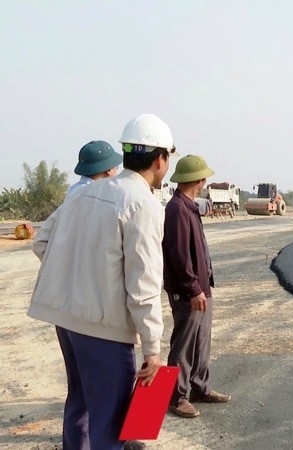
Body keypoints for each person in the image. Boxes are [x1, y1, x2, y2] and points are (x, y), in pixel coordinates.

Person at [29, 113, 175, 449]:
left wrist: (80, 274)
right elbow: (144, 285)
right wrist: (153, 349)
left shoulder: (83, 194)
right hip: (103, 330)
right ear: (160, 159)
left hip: (67, 321)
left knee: (79, 401)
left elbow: (42, 243)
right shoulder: (143, 205)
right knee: (110, 422)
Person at [163, 154, 231, 419]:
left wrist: (203, 286)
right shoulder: (178, 209)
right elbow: (179, 254)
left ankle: (200, 388)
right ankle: (176, 397)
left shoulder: (188, 206)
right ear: (199, 179)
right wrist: (193, 288)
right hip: (189, 293)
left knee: (201, 342)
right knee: (183, 345)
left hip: (201, 289)